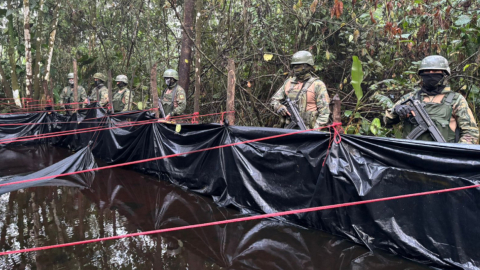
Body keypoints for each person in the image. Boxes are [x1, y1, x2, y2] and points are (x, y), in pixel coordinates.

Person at [384, 55, 479, 144]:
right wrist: (397, 110)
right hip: (410, 155)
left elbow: (471, 133)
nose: (431, 74)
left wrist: (456, 154)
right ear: (421, 74)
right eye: (427, 71)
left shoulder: (456, 99)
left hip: (441, 156)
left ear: (444, 74)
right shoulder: (410, 97)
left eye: (435, 71)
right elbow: (387, 120)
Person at [270, 51, 331, 129]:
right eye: (294, 66)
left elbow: (324, 113)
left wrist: (315, 132)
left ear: (307, 66)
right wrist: (279, 107)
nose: (295, 68)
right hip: (287, 130)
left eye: (298, 65)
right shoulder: (289, 83)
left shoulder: (317, 85)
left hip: (309, 131)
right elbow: (274, 100)